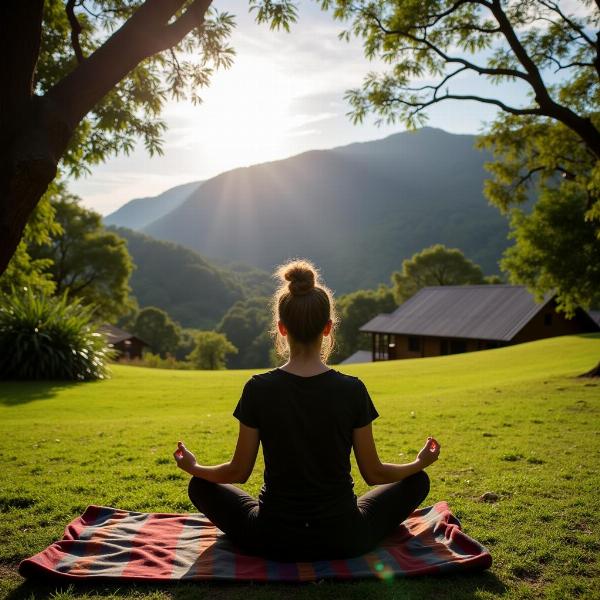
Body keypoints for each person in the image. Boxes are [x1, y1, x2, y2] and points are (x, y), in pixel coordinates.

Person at [173, 259, 440, 561]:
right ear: (327, 329)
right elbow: (374, 473)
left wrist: (193, 468)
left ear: (281, 328)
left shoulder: (258, 388)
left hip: (271, 538)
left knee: (200, 486)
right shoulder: (352, 389)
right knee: (417, 481)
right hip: (344, 537)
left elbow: (238, 472)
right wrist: (419, 462)